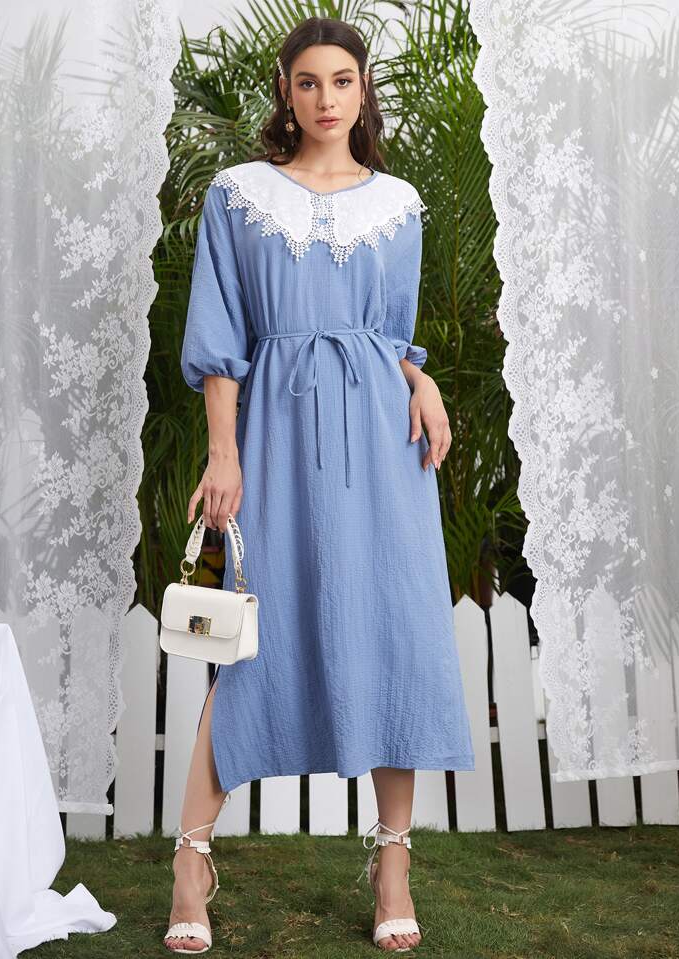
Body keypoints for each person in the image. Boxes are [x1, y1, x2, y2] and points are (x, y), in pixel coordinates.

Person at [164, 16, 475, 955]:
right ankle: (191, 863)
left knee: (393, 630)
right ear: (285, 91)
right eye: (308, 82)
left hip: (384, 442)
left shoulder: (401, 203)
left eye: (343, 80)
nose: (327, 98)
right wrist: (224, 454)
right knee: (250, 642)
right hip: (275, 433)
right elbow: (221, 337)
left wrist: (420, 380)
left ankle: (392, 864)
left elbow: (391, 331)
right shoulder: (239, 195)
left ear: (363, 88)